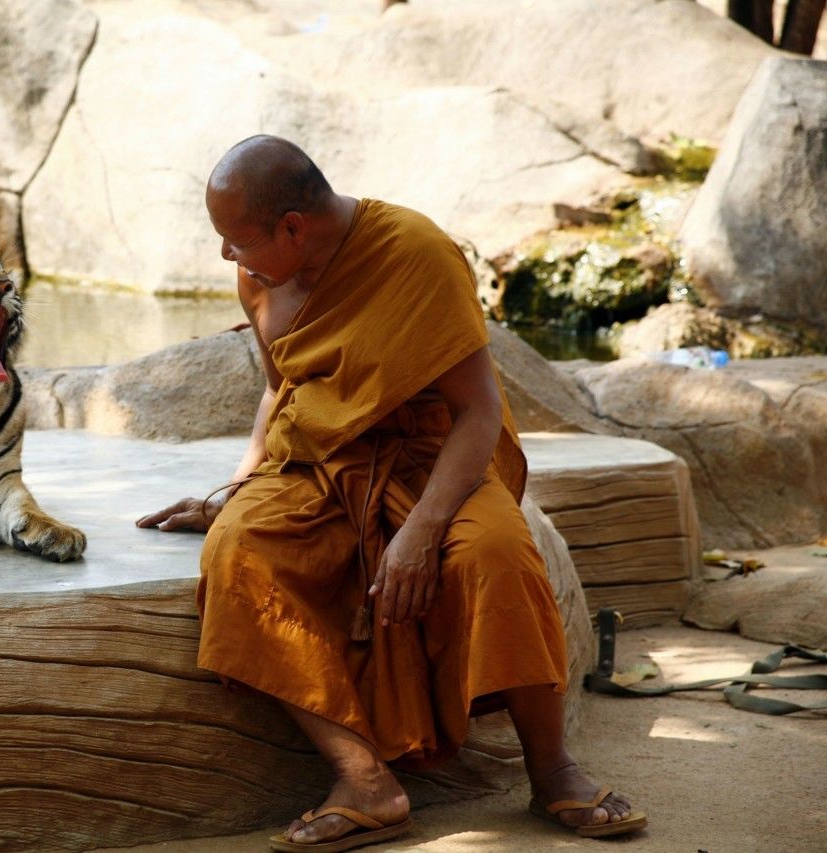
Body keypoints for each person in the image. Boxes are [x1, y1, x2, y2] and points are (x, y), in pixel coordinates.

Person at [136, 135, 645, 850]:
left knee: (496, 552)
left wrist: (422, 530)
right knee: (236, 553)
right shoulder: (261, 275)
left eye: (236, 240)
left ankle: (553, 767)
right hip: (317, 457)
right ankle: (365, 780)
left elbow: (479, 411)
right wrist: (241, 486)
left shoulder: (416, 251)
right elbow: (279, 387)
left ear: (294, 227)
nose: (227, 256)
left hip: (432, 453)